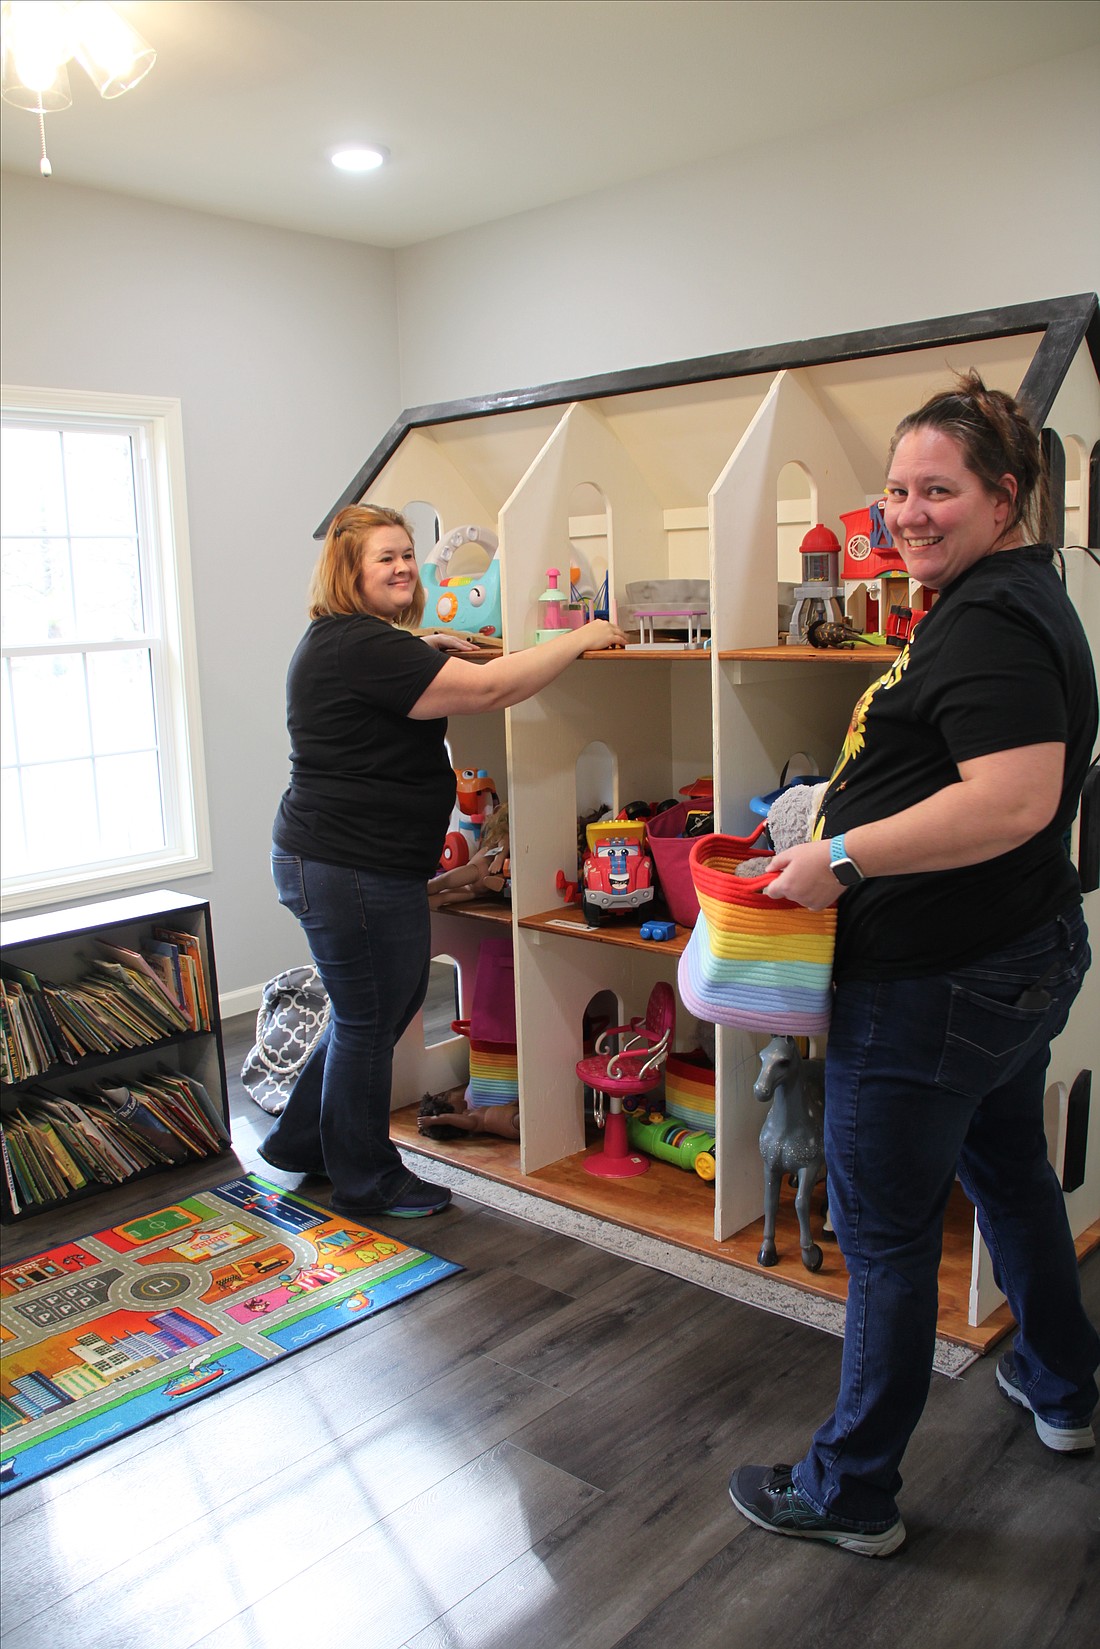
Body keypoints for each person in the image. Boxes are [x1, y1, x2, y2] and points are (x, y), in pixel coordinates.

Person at [728, 373, 1099, 1557]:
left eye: (935, 489)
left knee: (884, 1236)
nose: (906, 512)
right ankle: (1060, 1385)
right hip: (1004, 960)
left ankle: (849, 1490)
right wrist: (831, 806)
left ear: (1003, 498)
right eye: (894, 488)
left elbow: (1010, 798)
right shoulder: (1001, 597)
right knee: (1009, 1174)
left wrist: (836, 853)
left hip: (933, 982)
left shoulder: (988, 615)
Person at [260, 503, 625, 1219]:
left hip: (336, 860)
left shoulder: (350, 642)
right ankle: (370, 1179)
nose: (401, 567)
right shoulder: (366, 648)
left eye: (406, 555)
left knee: (369, 1011)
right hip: (349, 867)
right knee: (372, 1018)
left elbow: (386, 682)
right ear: (348, 572)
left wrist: (423, 643)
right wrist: (581, 634)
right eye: (383, 558)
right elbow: (495, 687)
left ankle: (300, 1143)